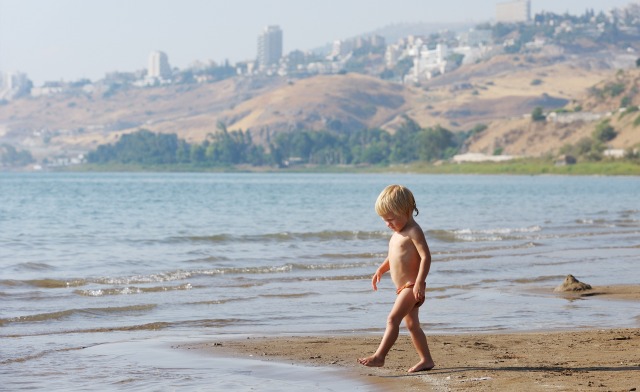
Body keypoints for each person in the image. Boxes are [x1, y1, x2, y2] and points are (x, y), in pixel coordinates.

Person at [358, 184, 435, 373]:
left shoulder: (413, 231)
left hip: (411, 286)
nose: (387, 224)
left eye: (391, 219)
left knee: (393, 320)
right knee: (412, 325)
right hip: (403, 288)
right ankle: (426, 360)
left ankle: (379, 356)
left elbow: (426, 257)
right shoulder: (397, 233)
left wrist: (419, 283)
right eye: (384, 220)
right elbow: (393, 256)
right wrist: (381, 269)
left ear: (407, 211)